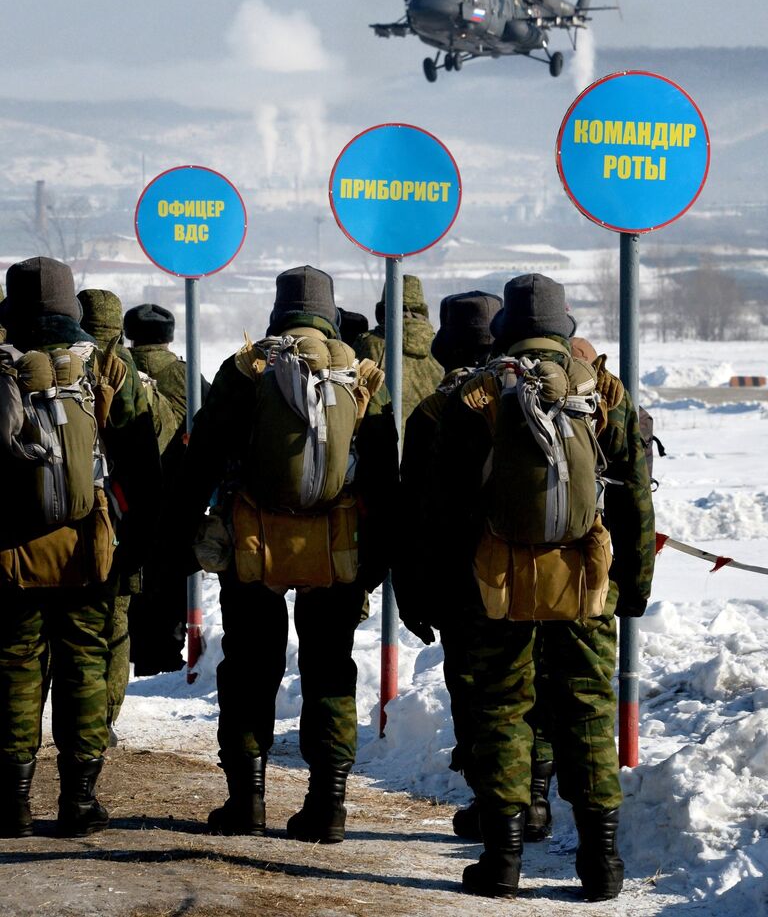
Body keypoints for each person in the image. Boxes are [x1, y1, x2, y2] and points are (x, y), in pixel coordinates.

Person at [432, 273, 655, 901]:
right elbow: (634, 501)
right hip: (586, 585)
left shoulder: (475, 396)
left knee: (502, 710)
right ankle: (602, 864)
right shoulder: (603, 392)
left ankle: (502, 864)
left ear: (504, 330)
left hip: (498, 585)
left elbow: (445, 508)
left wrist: (453, 589)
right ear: (567, 329)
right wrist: (630, 586)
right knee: (587, 708)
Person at [178, 265, 399, 842]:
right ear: (329, 312)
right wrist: (371, 566)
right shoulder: (360, 375)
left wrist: (185, 534)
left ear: (278, 313)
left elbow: (200, 458)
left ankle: (246, 802)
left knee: (250, 667)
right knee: (329, 669)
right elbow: (383, 478)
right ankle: (327, 807)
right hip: (336, 551)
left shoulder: (246, 368)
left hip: (253, 548)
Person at [0, 259, 160, 838]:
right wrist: (136, 549)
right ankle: (79, 800)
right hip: (91, 551)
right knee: (85, 669)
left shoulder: (2, 367)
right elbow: (144, 468)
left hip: (10, 552)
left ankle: (13, 801)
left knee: (15, 669)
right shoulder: (109, 368)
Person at [394, 290, 501, 831]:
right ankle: (534, 799)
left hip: (466, 579)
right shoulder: (538, 393)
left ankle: (492, 804)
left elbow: (416, 512)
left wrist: (412, 591)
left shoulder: (435, 412)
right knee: (528, 685)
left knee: (474, 687)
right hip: (542, 572)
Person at [78, 289, 162, 734]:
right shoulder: (124, 370)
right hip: (115, 518)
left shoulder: (47, 359)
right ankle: (101, 721)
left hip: (55, 518)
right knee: (112, 625)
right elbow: (150, 450)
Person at [123, 302, 209, 675]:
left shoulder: (117, 369)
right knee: (170, 581)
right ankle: (165, 655)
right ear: (169, 337)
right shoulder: (185, 376)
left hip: (122, 499)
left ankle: (129, 650)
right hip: (175, 501)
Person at [354, 274, 443, 423]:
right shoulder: (438, 345)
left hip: (382, 441)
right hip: (429, 441)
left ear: (383, 308)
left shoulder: (370, 344)